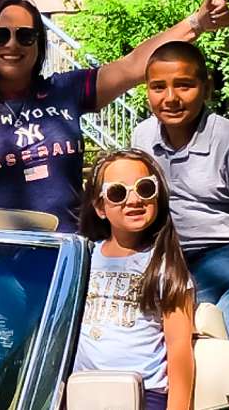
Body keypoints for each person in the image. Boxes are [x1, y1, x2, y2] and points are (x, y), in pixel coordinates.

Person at [0, 0, 229, 232]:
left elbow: (132, 66)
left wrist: (196, 23)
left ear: (39, 44)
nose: (13, 44)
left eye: (25, 36)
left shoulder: (65, 91)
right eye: (0, 36)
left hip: (65, 247)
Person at [129, 41, 229, 349]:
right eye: (158, 87)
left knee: (180, 307)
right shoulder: (143, 136)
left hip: (225, 249)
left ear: (206, 88)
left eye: (184, 86)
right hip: (167, 250)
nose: (171, 98)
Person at [74, 149, 197, 410]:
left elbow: (179, 348)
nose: (134, 200)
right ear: (100, 207)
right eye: (118, 192)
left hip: (143, 395)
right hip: (80, 392)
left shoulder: (165, 264)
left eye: (145, 188)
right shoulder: (82, 257)